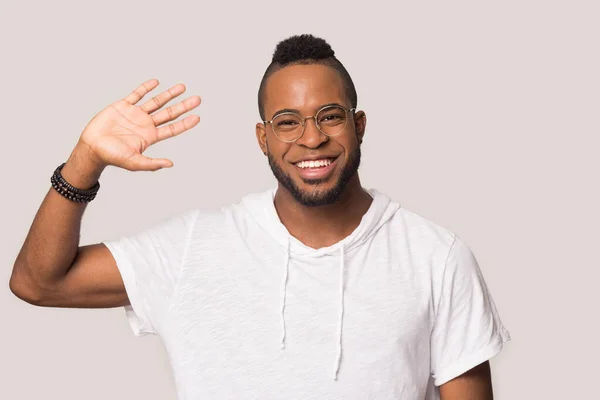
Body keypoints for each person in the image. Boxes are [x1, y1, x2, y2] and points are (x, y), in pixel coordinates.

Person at [9, 34, 510, 400]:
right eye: (287, 122)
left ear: (358, 126)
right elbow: (39, 283)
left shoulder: (434, 257)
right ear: (262, 138)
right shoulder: (195, 248)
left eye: (329, 116)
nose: (311, 139)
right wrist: (84, 161)